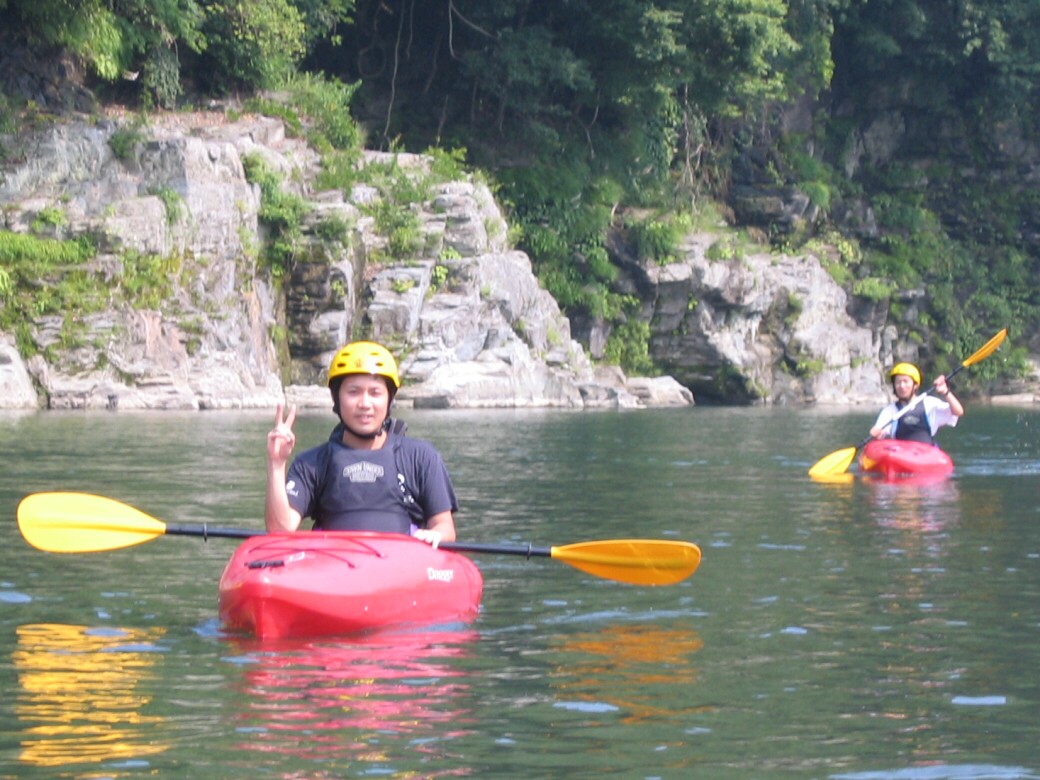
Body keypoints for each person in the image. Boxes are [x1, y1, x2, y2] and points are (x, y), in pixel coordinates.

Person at [265, 340, 457, 546]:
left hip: (402, 562)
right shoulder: (312, 463)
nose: (365, 404)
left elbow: (445, 527)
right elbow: (280, 530)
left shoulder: (421, 457)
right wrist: (276, 464)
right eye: (353, 392)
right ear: (337, 399)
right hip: (334, 562)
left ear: (389, 399)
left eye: (375, 393)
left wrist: (436, 535)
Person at [869, 362, 964, 445]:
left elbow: (958, 412)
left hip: (926, 454)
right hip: (900, 455)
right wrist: (876, 434)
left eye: (905, 381)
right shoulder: (889, 411)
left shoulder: (930, 403)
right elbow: (879, 433)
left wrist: (945, 392)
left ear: (915, 385)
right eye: (898, 382)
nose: (902, 386)